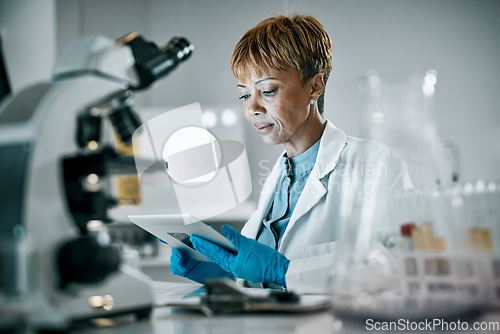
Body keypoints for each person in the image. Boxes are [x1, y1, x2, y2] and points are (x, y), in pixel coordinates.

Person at [169, 14, 411, 293]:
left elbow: (403, 264)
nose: (252, 109)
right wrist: (225, 276)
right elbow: (263, 275)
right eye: (245, 95)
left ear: (315, 86)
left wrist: (286, 272)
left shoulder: (373, 163)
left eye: (268, 90)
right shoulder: (279, 178)